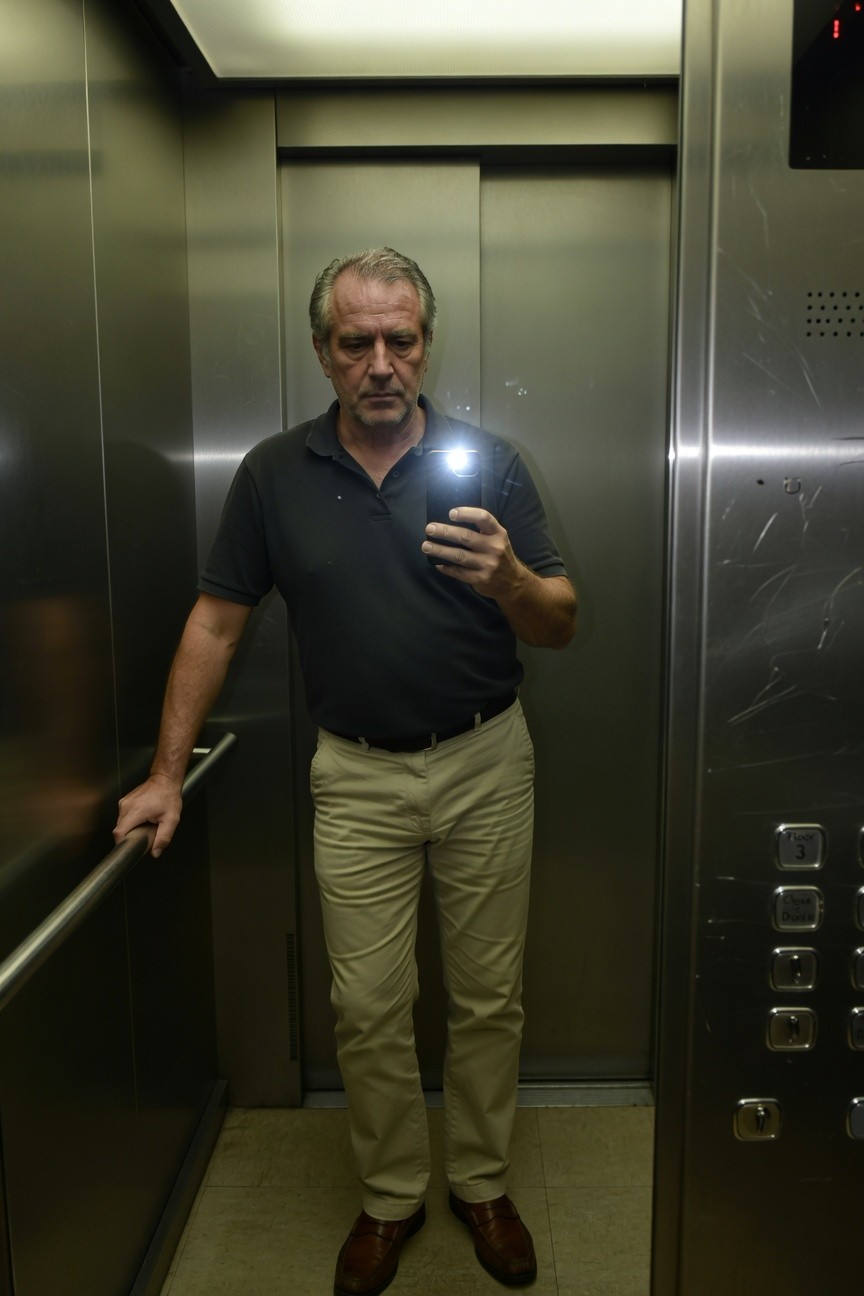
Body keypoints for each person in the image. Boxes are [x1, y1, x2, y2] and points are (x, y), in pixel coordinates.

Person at [114, 248, 577, 1295]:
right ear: (323, 352)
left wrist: (510, 579)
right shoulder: (274, 475)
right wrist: (165, 772)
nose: (380, 362)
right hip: (357, 778)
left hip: (484, 761)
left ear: (425, 344)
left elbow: (562, 622)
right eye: (355, 341)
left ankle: (484, 1182)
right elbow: (215, 625)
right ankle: (390, 1198)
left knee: (488, 996)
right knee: (368, 1003)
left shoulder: (488, 463)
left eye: (400, 339)